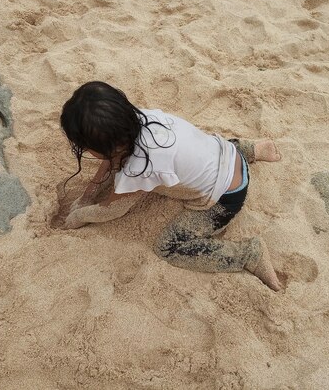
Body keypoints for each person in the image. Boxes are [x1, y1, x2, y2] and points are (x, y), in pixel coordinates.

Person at [59, 81, 283, 291]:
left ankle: (248, 254)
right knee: (197, 150)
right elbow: (112, 158)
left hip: (226, 197)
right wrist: (88, 194)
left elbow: (113, 208)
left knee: (169, 247)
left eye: (86, 147)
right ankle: (253, 149)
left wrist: (80, 216)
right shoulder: (141, 119)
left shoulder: (141, 167)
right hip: (227, 152)